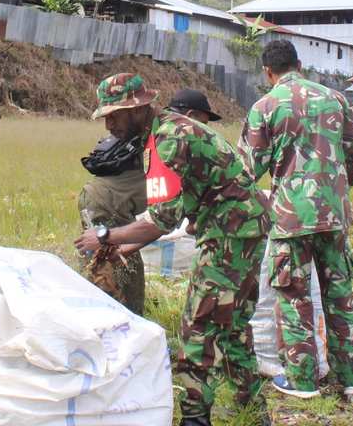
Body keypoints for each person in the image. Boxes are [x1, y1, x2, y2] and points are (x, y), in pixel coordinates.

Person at [74, 74, 270, 426]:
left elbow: (161, 222)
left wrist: (104, 236)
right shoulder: (165, 130)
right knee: (233, 324)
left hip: (230, 233)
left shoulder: (167, 139)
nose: (109, 123)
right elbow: (164, 217)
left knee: (198, 326)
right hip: (240, 228)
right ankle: (252, 409)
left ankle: (195, 419)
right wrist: (129, 245)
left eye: (115, 114)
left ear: (137, 109)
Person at [240, 40, 353, 402]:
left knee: (293, 297)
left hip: (290, 217)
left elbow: (248, 169)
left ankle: (302, 380)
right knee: (340, 295)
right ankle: (352, 378)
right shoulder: (335, 98)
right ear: (300, 64)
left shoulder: (265, 106)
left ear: (268, 72)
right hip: (334, 215)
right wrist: (337, 186)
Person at [76, 127, 147, 315]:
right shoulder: (172, 145)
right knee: (114, 272)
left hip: (96, 196)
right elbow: (162, 223)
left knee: (103, 265)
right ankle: (121, 326)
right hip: (108, 205)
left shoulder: (156, 139)